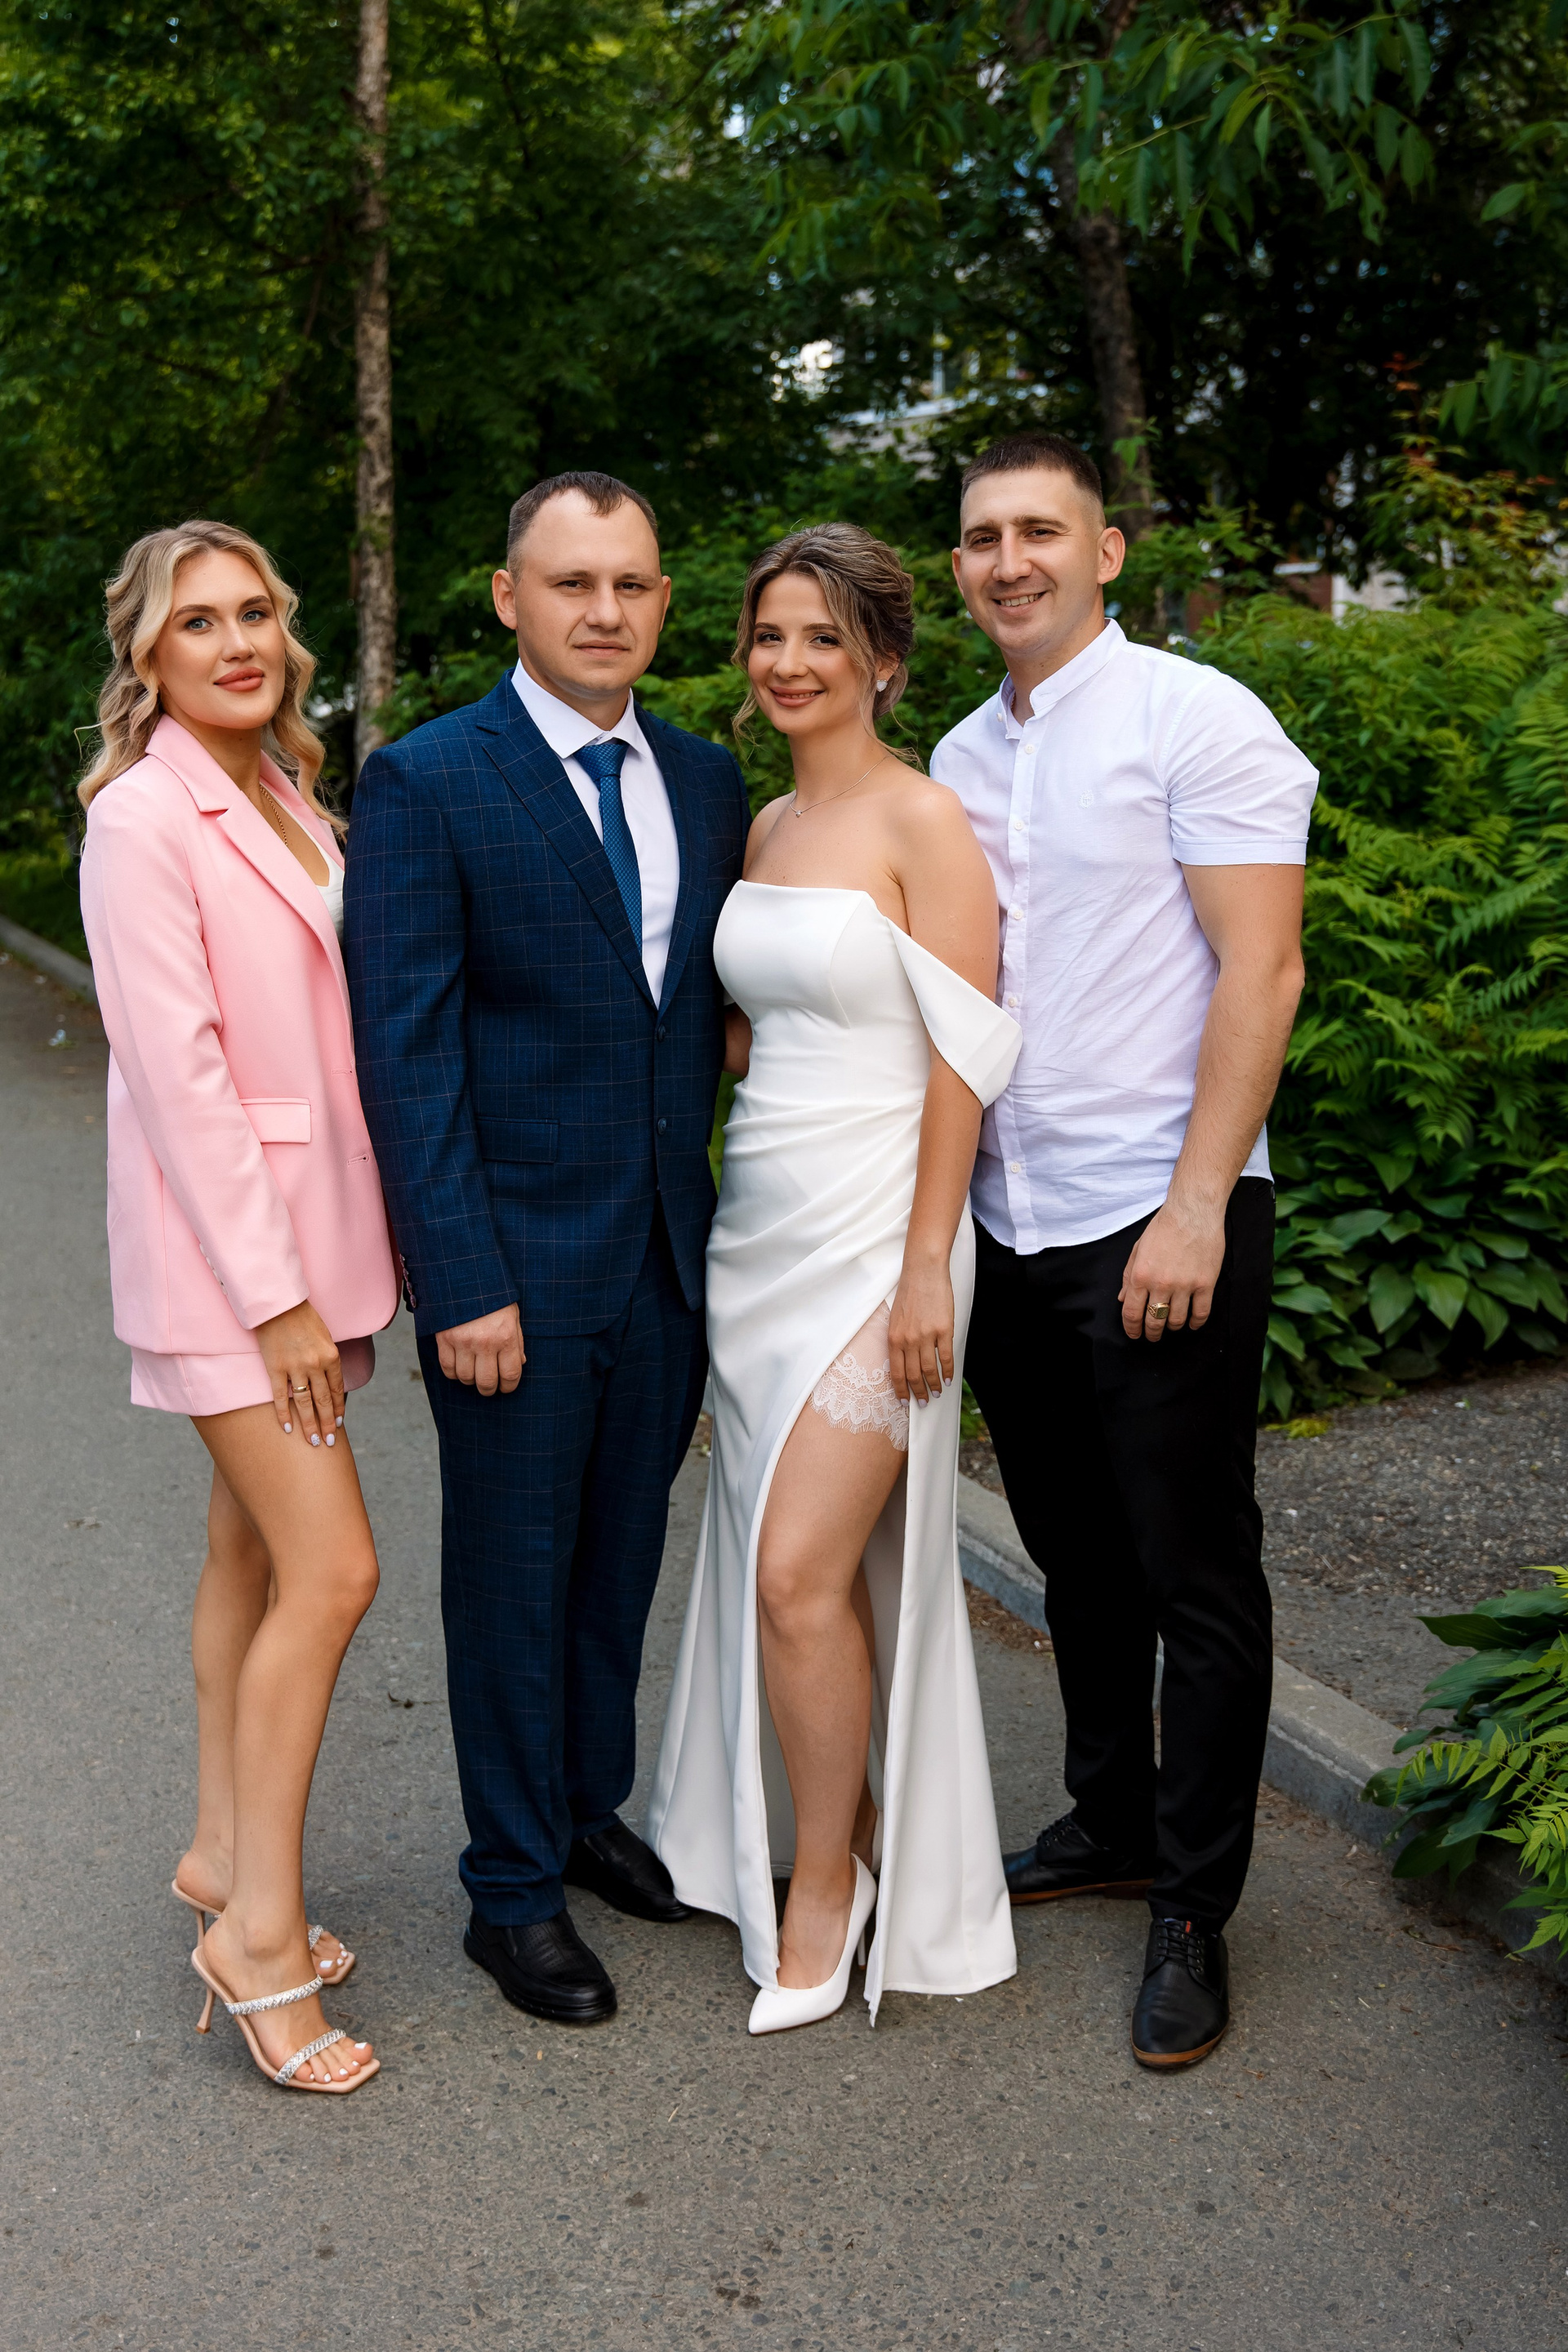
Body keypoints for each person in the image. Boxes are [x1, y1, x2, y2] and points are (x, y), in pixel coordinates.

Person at [929, 431, 1317, 2070]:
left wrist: (1197, 1204)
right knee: (1075, 1556)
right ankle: (1109, 1819)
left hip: (1160, 1215)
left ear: (1106, 551)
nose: (1008, 559)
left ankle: (1195, 1907)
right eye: (980, 537)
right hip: (1010, 1218)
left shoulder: (1197, 719)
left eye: (1040, 529)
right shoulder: (956, 754)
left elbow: (1264, 971)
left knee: (1191, 1570)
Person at [345, 473, 751, 2026]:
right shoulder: (430, 781)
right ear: (511, 597)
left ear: (663, 602)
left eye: (631, 583)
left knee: (618, 1562)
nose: (604, 610)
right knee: (514, 1581)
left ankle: (585, 1813)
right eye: (572, 582)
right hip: (510, 1271)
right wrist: (461, 1280)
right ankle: (509, 1890)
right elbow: (407, 1054)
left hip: (664, 1259)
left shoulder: (706, 780)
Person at [649, 523, 1022, 2034]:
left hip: (884, 1238)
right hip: (761, 1233)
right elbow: (754, 1029)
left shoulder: (924, 820)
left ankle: (827, 1888)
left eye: (823, 638)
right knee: (790, 1568)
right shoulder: (764, 826)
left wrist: (929, 1265)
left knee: (798, 1571)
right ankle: (840, 1829)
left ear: (884, 661)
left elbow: (965, 1057)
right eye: (770, 636)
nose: (790, 663)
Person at [78, 520, 399, 2095]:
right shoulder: (142, 820)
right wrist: (277, 1303)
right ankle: (258, 1937)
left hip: (317, 1238)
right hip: (233, 1267)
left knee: (252, 1551)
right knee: (335, 1570)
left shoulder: (281, 788)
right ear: (147, 654)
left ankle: (221, 1848)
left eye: (255, 612)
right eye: (196, 622)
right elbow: (182, 1079)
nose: (236, 643)